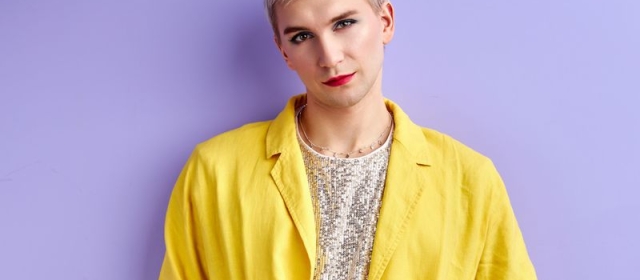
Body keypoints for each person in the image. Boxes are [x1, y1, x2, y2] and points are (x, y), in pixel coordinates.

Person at [159, 0, 537, 279]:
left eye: (344, 23)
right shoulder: (215, 171)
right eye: (303, 36)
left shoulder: (469, 180)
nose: (329, 56)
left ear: (385, 21)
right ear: (284, 52)